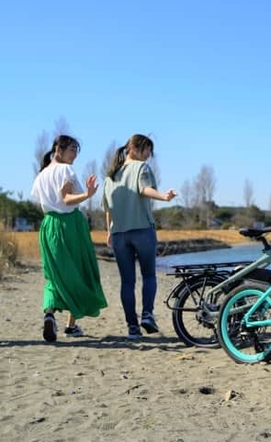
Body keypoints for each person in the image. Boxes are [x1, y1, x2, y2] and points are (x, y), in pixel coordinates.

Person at [30, 135, 108, 342]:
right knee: (78, 271)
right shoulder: (65, 170)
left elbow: (43, 202)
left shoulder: (41, 175)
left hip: (48, 225)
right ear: (58, 149)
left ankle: (49, 313)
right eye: (72, 149)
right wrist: (87, 195)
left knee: (53, 274)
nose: (75, 155)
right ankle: (70, 326)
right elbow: (65, 199)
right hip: (69, 225)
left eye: (76, 150)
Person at [102, 134, 176, 339]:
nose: (148, 156)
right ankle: (147, 315)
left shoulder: (110, 176)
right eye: (147, 151)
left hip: (118, 234)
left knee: (127, 282)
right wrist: (164, 197)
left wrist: (109, 231)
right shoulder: (141, 168)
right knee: (149, 275)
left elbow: (108, 209)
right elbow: (144, 189)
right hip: (142, 230)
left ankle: (132, 328)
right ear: (133, 148)